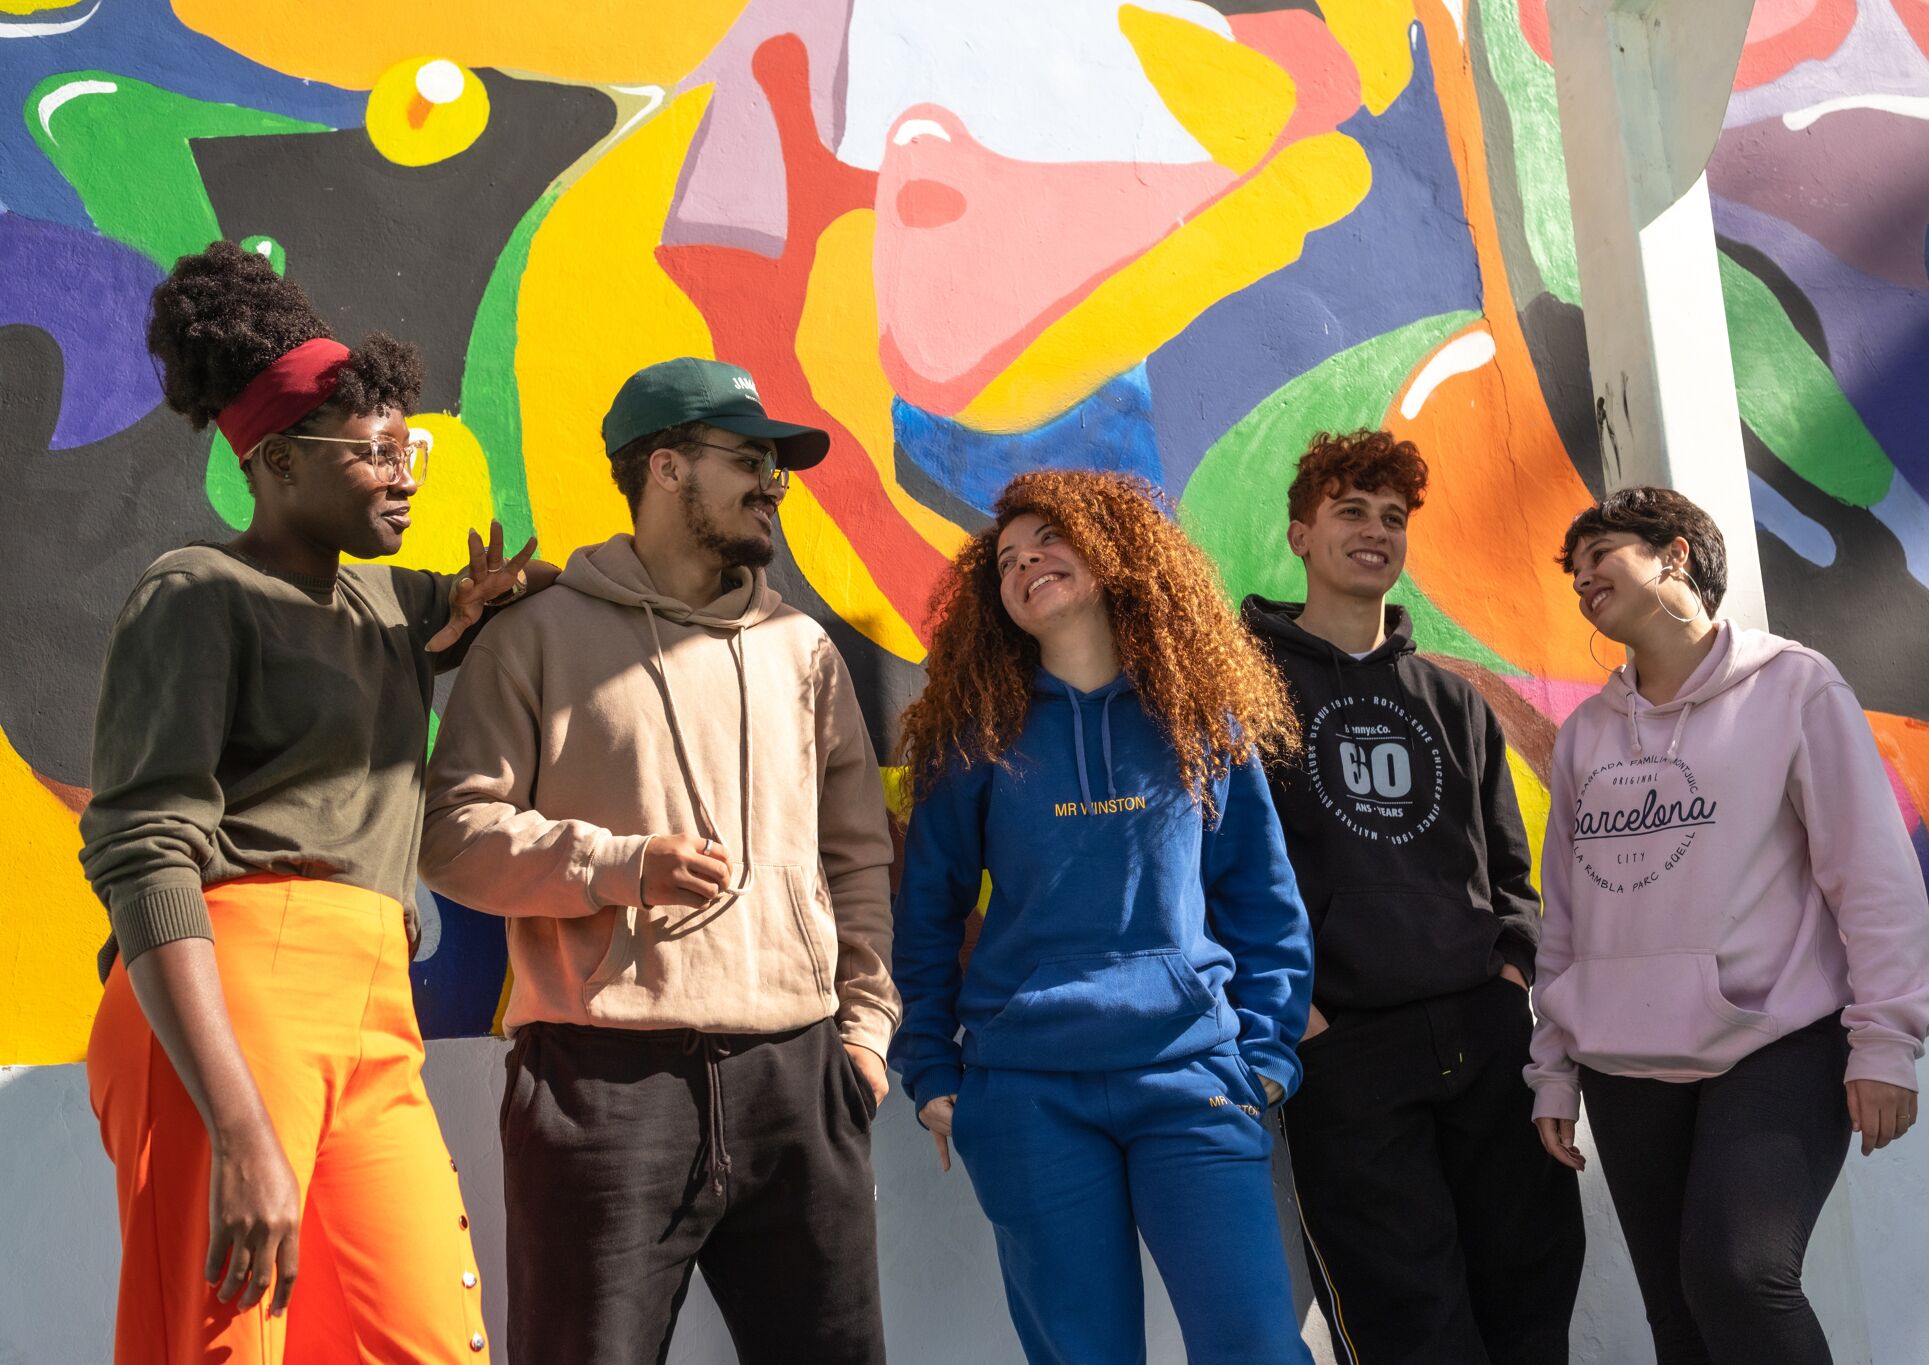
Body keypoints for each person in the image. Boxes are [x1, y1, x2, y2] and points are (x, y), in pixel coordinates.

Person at [80, 240, 547, 1364]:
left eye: (410, 446)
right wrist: (236, 1123)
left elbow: (518, 590)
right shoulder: (200, 592)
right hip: (231, 991)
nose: (405, 475)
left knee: (424, 1337)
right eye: (377, 451)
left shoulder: (387, 604)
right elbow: (146, 849)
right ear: (280, 462)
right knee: (224, 1343)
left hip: (372, 1004)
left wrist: (488, 604)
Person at [418, 357, 897, 1364]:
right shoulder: (534, 637)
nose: (773, 482)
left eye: (776, 464)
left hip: (798, 1074)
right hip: (604, 1087)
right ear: (666, 468)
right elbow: (452, 837)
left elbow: (856, 854)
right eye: (747, 459)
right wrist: (615, 866)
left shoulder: (802, 649)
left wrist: (862, 1032)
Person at [890, 470, 1314, 1365]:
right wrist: (930, 1070)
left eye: (1049, 538)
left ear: (1114, 548)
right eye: (1006, 559)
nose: (1025, 562)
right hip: (1029, 1090)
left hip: (1191, 1076)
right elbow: (927, 910)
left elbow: (1262, 900)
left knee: (1259, 1346)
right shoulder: (977, 737)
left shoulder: (1202, 720)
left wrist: (1266, 1058)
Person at [1529, 485, 1929, 1365]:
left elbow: (1869, 872)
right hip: (1624, 1058)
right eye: (1574, 571)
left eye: (1600, 553)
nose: (1582, 579)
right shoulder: (1585, 738)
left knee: (1738, 1271)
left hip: (1776, 1039)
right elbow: (1563, 916)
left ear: (1674, 553)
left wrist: (1887, 1040)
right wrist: (1554, 1068)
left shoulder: (1795, 687)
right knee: (1679, 1320)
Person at [1242, 429, 1584, 1364]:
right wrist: (1301, 1018)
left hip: (1486, 1040)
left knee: (1531, 1297)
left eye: (1393, 517)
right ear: (1301, 533)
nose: (1375, 531)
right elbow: (1217, 871)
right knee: (1407, 1324)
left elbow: (1514, 875)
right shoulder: (1247, 697)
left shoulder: (1454, 699)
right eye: (1351, 510)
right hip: (1346, 1050)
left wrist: (1510, 977)